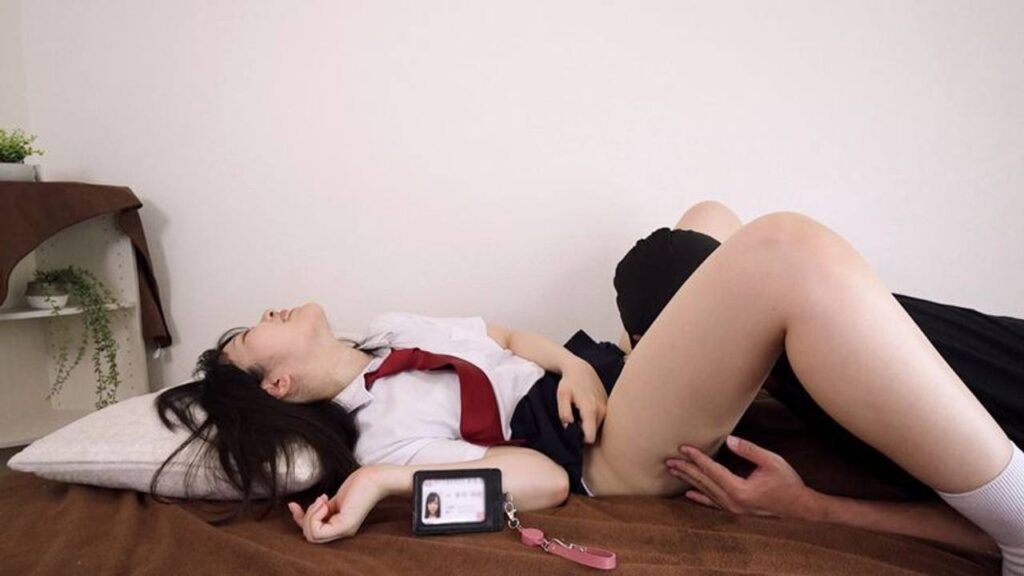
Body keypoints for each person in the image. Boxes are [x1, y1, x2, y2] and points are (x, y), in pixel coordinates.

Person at [152, 204, 1023, 575]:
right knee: (779, 248)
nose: (263, 313)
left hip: (596, 376)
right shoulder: (383, 434)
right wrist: (382, 484)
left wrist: (570, 365)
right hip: (607, 450)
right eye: (247, 334)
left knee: (707, 220)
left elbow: (504, 339)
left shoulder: (390, 328)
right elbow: (543, 482)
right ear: (277, 380)